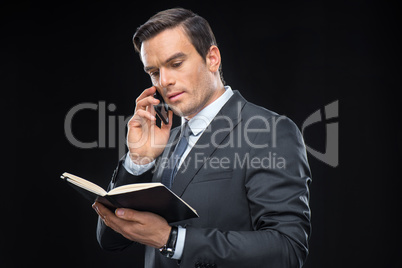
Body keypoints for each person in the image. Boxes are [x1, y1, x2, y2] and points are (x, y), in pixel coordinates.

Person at [92, 7, 312, 268]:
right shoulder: (164, 141)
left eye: (176, 64)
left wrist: (171, 239)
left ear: (212, 58)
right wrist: (138, 160)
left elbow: (287, 249)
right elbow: (111, 240)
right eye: (153, 72)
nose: (165, 81)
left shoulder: (270, 131)